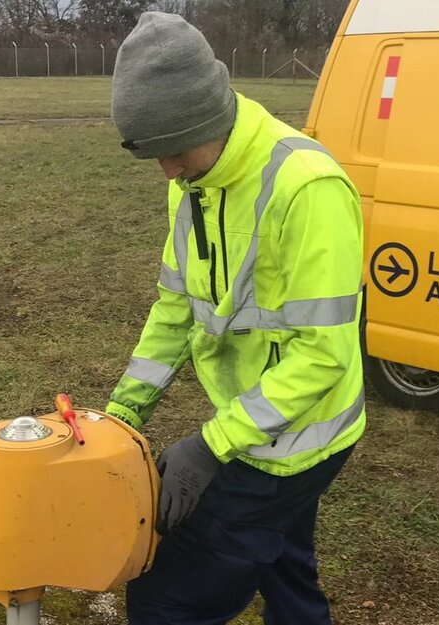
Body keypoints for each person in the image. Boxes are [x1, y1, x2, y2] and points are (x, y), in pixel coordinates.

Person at [105, 11, 366, 625]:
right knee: (285, 568)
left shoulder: (308, 189)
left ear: (206, 119)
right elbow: (177, 306)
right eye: (154, 157)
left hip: (296, 439)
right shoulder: (195, 184)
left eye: (173, 151)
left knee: (167, 603)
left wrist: (210, 447)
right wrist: (124, 409)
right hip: (251, 423)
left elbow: (321, 356)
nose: (167, 171)